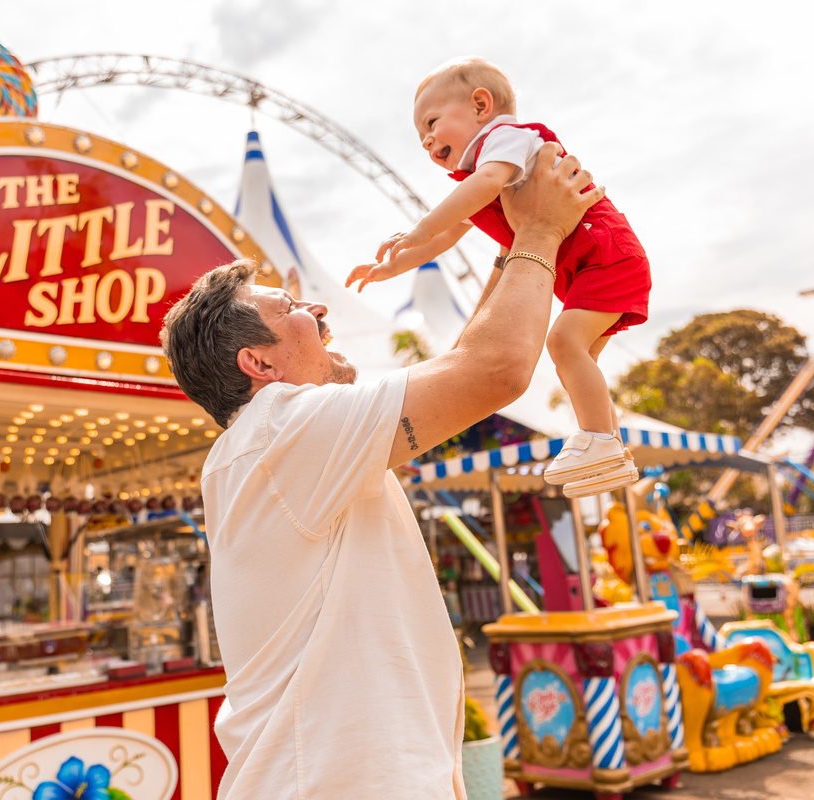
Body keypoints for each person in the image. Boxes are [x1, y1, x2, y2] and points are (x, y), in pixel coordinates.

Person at [161, 142, 601, 799]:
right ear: (259, 365)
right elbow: (494, 371)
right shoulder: (283, 427)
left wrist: (510, 244)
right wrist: (541, 230)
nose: (319, 311)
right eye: (291, 310)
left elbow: (459, 369)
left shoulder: (270, 442)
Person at [346, 57, 652, 497]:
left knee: (563, 344)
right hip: (591, 262)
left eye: (431, 123)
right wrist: (395, 264)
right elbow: (452, 231)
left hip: (603, 256)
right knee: (579, 355)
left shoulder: (506, 142)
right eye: (421, 138)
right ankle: (610, 446)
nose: (427, 140)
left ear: (480, 105)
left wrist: (418, 228)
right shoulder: (489, 171)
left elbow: (475, 193)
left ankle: (600, 441)